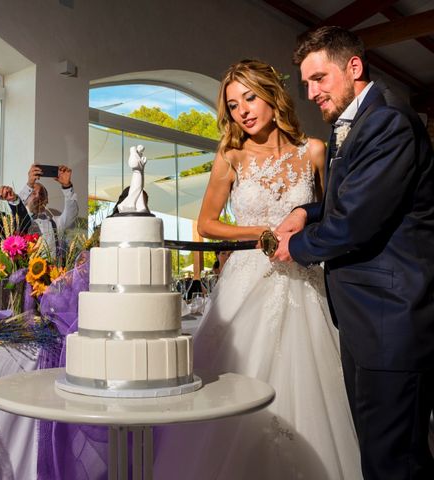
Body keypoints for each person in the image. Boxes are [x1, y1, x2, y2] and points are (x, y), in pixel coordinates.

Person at [154, 59, 362, 479]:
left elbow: (328, 216)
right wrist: (262, 233)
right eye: (233, 105)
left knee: (313, 389)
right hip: (246, 280)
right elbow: (206, 223)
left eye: (250, 97)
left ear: (272, 95)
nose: (243, 111)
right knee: (233, 385)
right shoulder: (230, 157)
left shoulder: (315, 151)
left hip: (304, 281)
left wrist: (301, 235)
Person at [273, 26, 434, 479]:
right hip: (366, 319)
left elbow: (355, 222)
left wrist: (296, 246)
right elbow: (353, 199)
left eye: (320, 78)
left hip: (391, 319)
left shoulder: (388, 122)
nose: (311, 93)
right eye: (306, 83)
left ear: (354, 67)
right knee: (378, 453)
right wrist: (307, 211)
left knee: (394, 461)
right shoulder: (359, 122)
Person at [19, 164, 78, 259]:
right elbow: (16, 205)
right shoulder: (19, 222)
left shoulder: (56, 223)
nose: (38, 196)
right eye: (33, 193)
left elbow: (72, 213)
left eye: (41, 194)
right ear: (26, 199)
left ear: (46, 200)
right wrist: (29, 183)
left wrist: (67, 186)